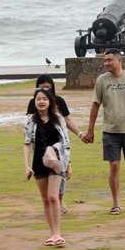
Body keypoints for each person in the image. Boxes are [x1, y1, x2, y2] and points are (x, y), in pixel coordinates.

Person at [81, 48, 125, 215]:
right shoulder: (102, 80)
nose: (106, 63)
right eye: (105, 60)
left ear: (119, 60)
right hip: (110, 131)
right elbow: (95, 105)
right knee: (114, 165)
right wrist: (90, 130)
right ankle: (115, 203)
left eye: (109, 60)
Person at [26, 74, 82, 215]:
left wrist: (80, 134)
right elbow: (29, 129)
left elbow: (67, 123)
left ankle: (59, 201)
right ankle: (52, 205)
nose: (45, 90)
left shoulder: (59, 102)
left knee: (60, 178)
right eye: (42, 86)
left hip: (59, 149)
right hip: (41, 150)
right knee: (46, 184)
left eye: (48, 87)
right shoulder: (33, 103)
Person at [24, 88, 70, 247]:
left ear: (50, 101)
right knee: (45, 199)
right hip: (38, 162)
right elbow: (27, 143)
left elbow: (66, 143)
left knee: (53, 196)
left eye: (44, 99)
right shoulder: (31, 120)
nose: (41, 102)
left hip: (56, 161)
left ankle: (58, 233)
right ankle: (52, 234)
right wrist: (26, 165)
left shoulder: (58, 118)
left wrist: (68, 164)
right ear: (34, 102)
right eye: (38, 99)